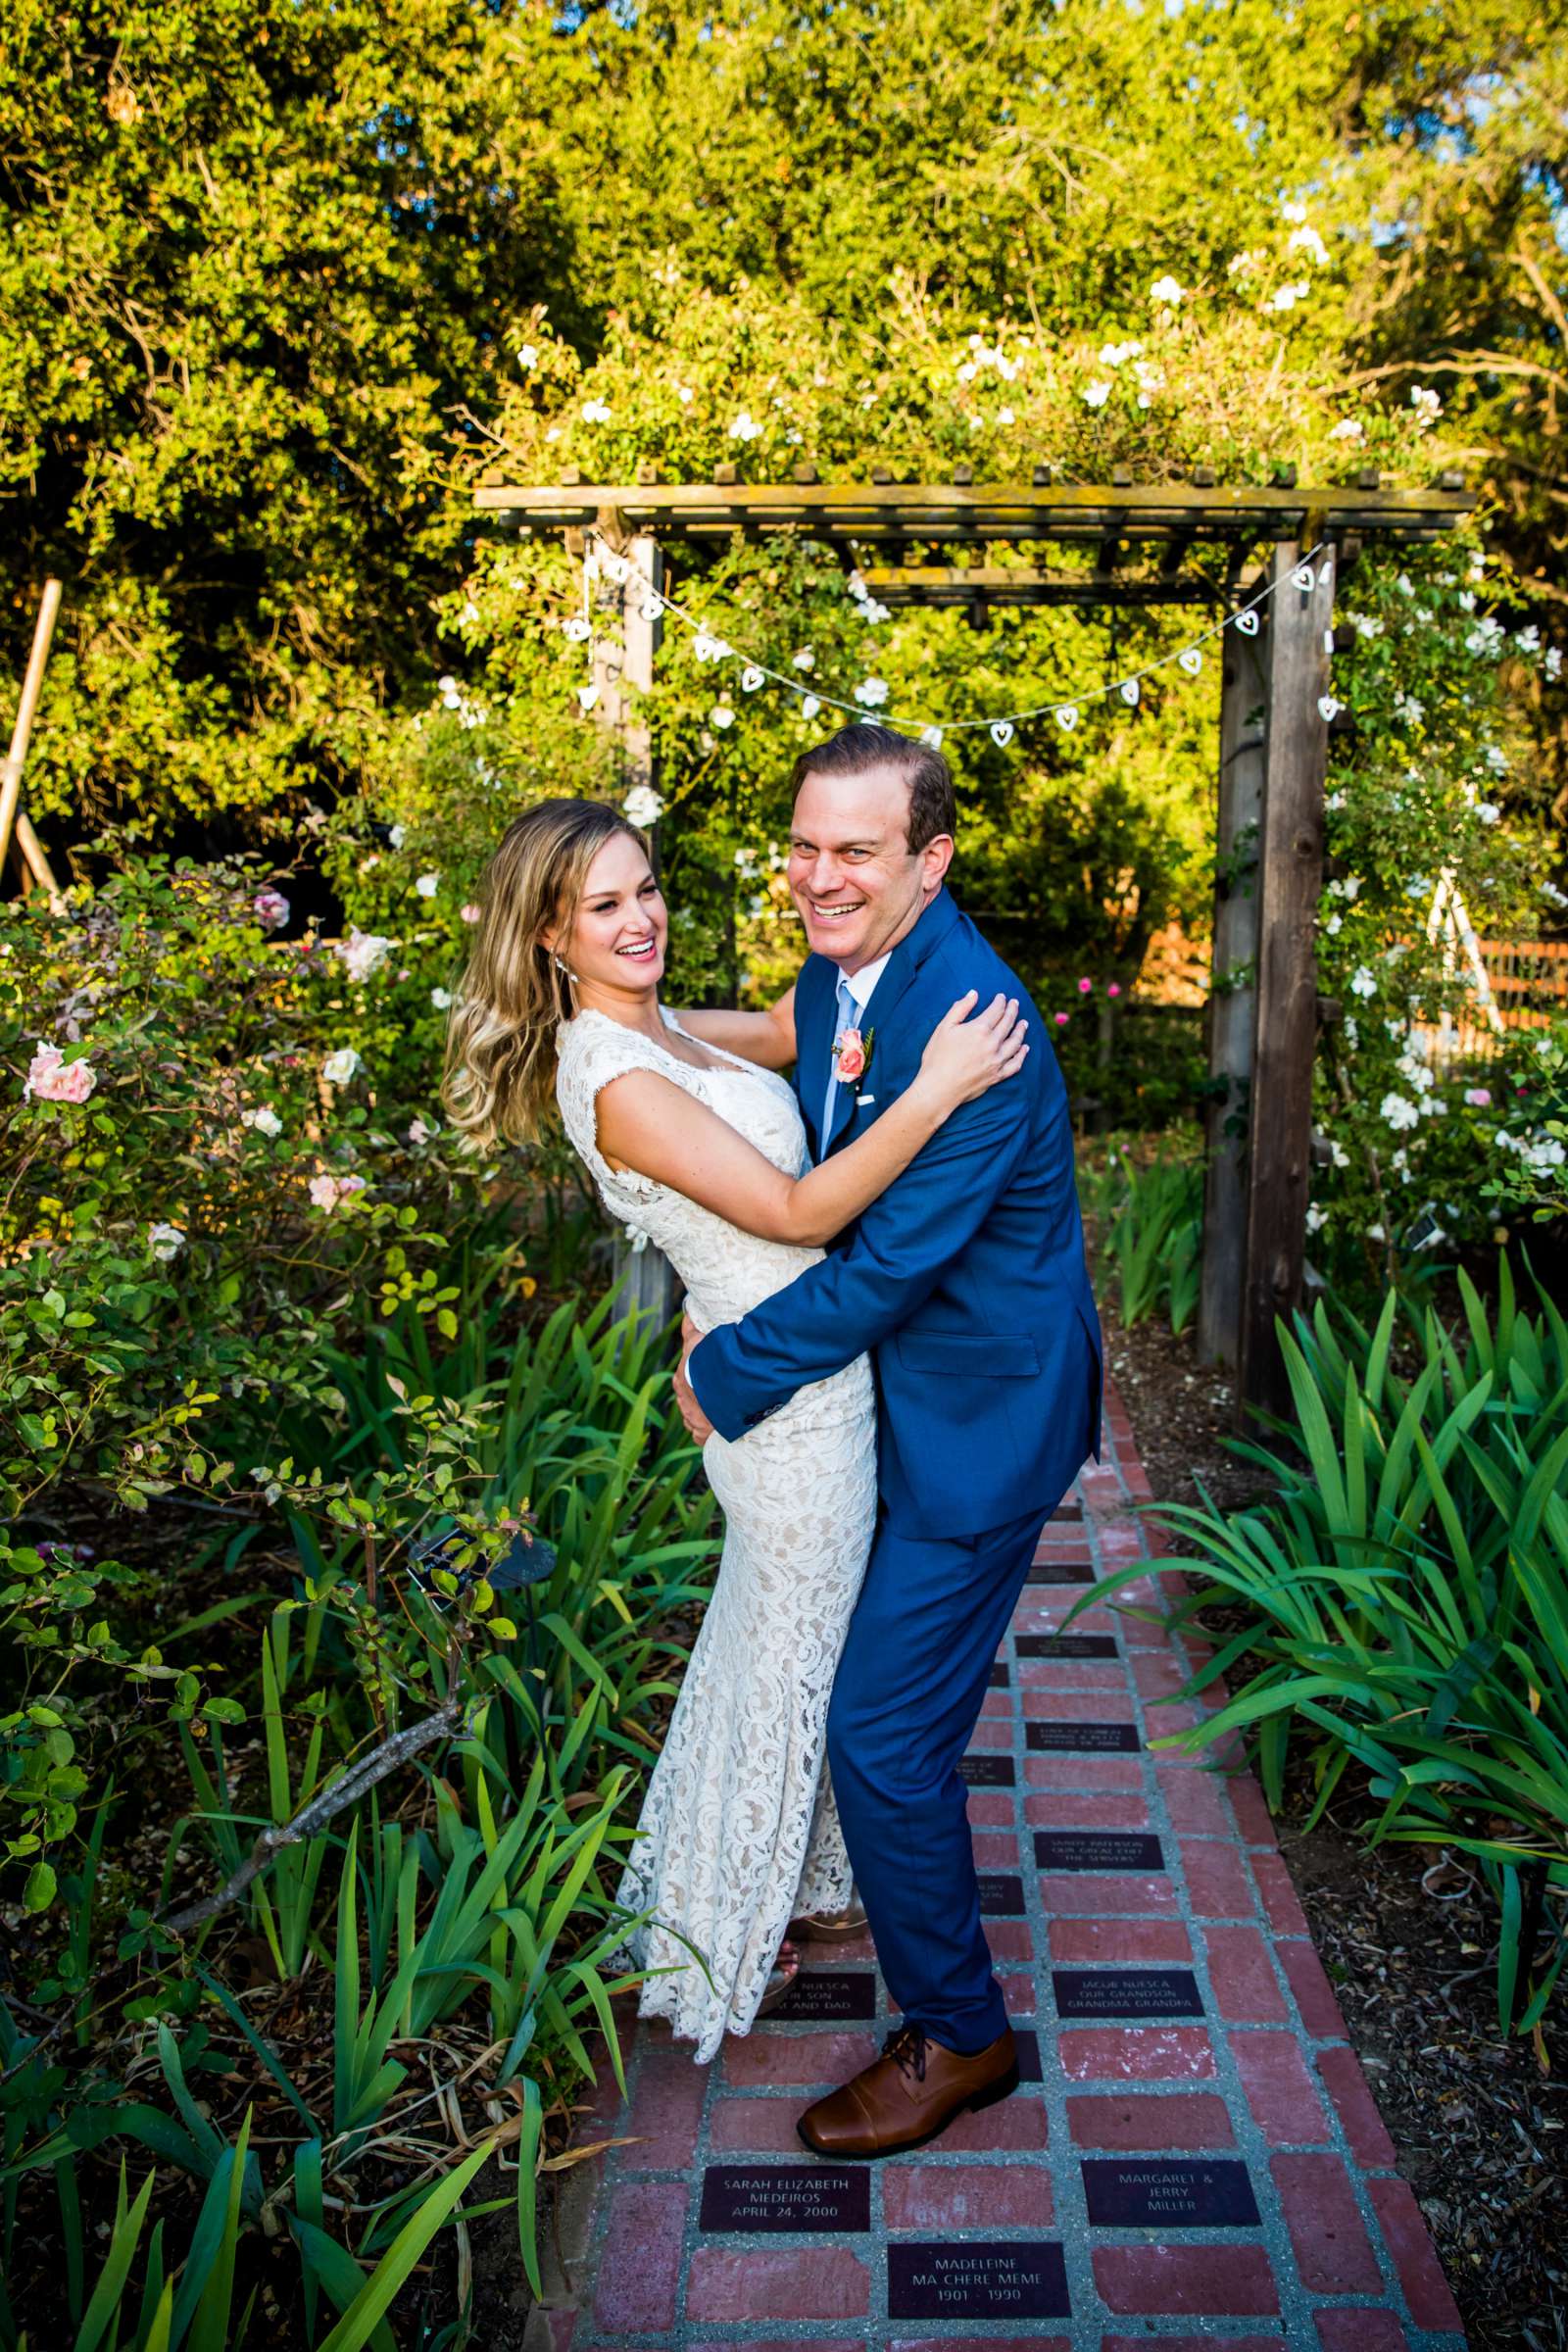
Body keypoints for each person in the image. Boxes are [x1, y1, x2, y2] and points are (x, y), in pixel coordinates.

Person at [442, 790, 1028, 2064]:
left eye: (645, 888)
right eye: (603, 906)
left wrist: (863, 984)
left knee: (783, 1649)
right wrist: (936, 1087)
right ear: (549, 935)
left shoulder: (655, 1028)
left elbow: (774, 1029)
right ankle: (713, 1931)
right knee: (788, 1664)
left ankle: (801, 1892)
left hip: (802, 1376)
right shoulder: (612, 1075)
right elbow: (803, 1210)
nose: (640, 917)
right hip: (788, 1410)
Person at [677, 721, 1102, 2156]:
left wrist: (724, 1371)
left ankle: (961, 2036)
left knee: (883, 1734)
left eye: (854, 851)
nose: (817, 875)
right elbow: (808, 1038)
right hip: (891, 1402)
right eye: (802, 844)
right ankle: (880, 1900)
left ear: (931, 860)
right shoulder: (853, 954)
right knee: (877, 1708)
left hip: (978, 1417)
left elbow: (885, 1270)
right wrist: (642, 1030)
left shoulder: (981, 1027)